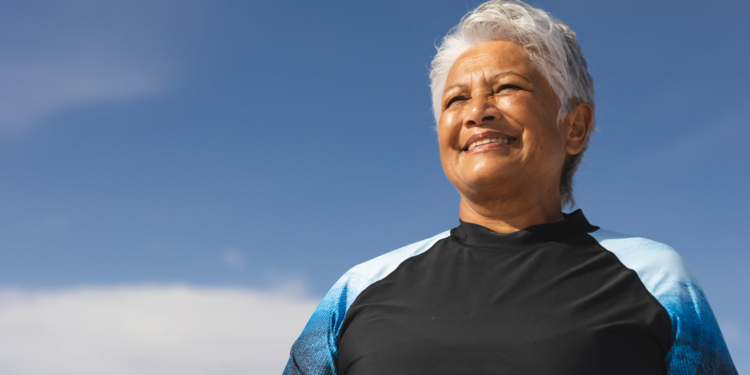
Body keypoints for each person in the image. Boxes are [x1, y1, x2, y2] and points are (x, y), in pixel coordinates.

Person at [283, 1, 737, 374]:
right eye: (456, 98)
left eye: (506, 87)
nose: (477, 111)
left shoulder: (658, 279)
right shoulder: (358, 288)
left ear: (575, 127)